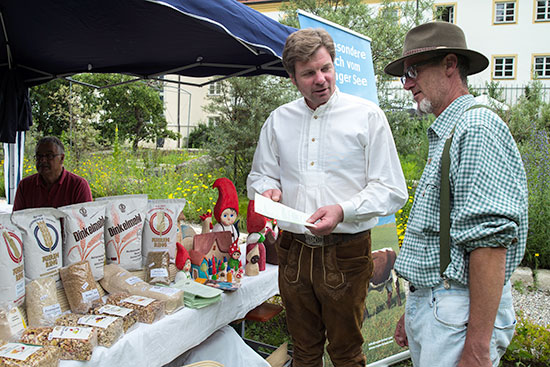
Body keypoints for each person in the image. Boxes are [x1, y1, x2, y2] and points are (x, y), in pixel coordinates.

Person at [247, 28, 408, 367]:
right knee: (303, 351)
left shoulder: (367, 116)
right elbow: (260, 176)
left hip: (345, 253)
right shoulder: (278, 120)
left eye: (326, 68)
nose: (321, 79)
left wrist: (343, 210)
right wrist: (267, 190)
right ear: (292, 77)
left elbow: (392, 189)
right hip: (292, 251)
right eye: (309, 73)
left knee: (346, 354)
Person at [384, 22, 528, 367]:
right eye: (405, 74)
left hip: (457, 312)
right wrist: (416, 308)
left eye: (414, 71)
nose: (406, 84)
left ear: (450, 65)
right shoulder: (453, 129)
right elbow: (439, 239)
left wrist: (477, 348)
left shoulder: (476, 128)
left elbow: (490, 245)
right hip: (443, 309)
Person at [13, 136, 92, 211]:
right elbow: (16, 220)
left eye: (49, 156)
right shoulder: (25, 185)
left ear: (62, 158)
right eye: (39, 156)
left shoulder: (78, 185)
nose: (43, 160)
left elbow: (86, 221)